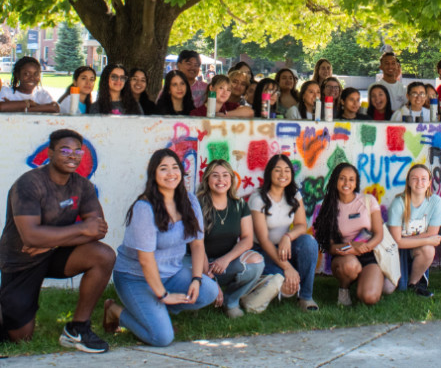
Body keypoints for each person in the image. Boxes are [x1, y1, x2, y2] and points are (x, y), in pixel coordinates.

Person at [0, 130, 115, 351]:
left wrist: (50, 242)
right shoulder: (28, 184)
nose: (72, 155)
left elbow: (98, 229)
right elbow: (30, 236)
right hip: (21, 260)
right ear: (50, 153)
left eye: (77, 151)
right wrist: (81, 228)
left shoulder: (82, 186)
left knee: (103, 255)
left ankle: (77, 328)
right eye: (64, 150)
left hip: (55, 253)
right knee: (19, 338)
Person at [104, 149, 219, 347]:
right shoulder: (144, 208)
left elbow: (198, 244)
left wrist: (196, 279)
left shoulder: (190, 201)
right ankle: (115, 311)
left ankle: (158, 311)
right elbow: (145, 260)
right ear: (153, 175)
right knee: (162, 338)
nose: (171, 173)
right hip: (136, 277)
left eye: (175, 168)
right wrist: (164, 295)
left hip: (171, 274)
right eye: (163, 169)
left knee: (209, 291)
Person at [195, 160, 268, 318]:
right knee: (203, 282)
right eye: (215, 176)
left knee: (257, 262)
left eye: (225, 175)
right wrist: (210, 277)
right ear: (207, 180)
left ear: (231, 180)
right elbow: (197, 245)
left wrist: (225, 260)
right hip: (197, 262)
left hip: (223, 264)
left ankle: (231, 301)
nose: (221, 180)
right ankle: (206, 294)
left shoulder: (239, 205)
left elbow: (247, 239)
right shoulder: (197, 204)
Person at [250, 155, 319, 311]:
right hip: (262, 251)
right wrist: (288, 268)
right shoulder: (258, 199)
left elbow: (301, 225)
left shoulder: (294, 194)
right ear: (269, 173)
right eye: (278, 170)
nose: (283, 175)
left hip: (284, 248)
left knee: (309, 242)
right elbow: (263, 240)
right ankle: (252, 294)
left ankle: (306, 297)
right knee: (285, 285)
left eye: (287, 170)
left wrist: (288, 237)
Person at [313, 163, 387, 306]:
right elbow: (331, 247)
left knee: (369, 297)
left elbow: (378, 235)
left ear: (356, 182)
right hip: (344, 257)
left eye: (351, 179)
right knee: (350, 265)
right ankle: (344, 289)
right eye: (342, 178)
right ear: (335, 180)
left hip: (369, 254)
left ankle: (364, 282)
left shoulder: (368, 201)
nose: (347, 183)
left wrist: (365, 248)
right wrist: (351, 247)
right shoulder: (329, 207)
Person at [387, 165, 441, 297]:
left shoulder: (435, 201)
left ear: (429, 183)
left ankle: (414, 284)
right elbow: (396, 242)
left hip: (414, 248)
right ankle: (400, 280)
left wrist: (405, 240)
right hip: (395, 250)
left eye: (424, 179)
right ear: (408, 182)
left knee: (428, 249)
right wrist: (427, 239)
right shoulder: (399, 203)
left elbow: (433, 233)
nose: (419, 182)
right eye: (415, 178)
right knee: (386, 289)